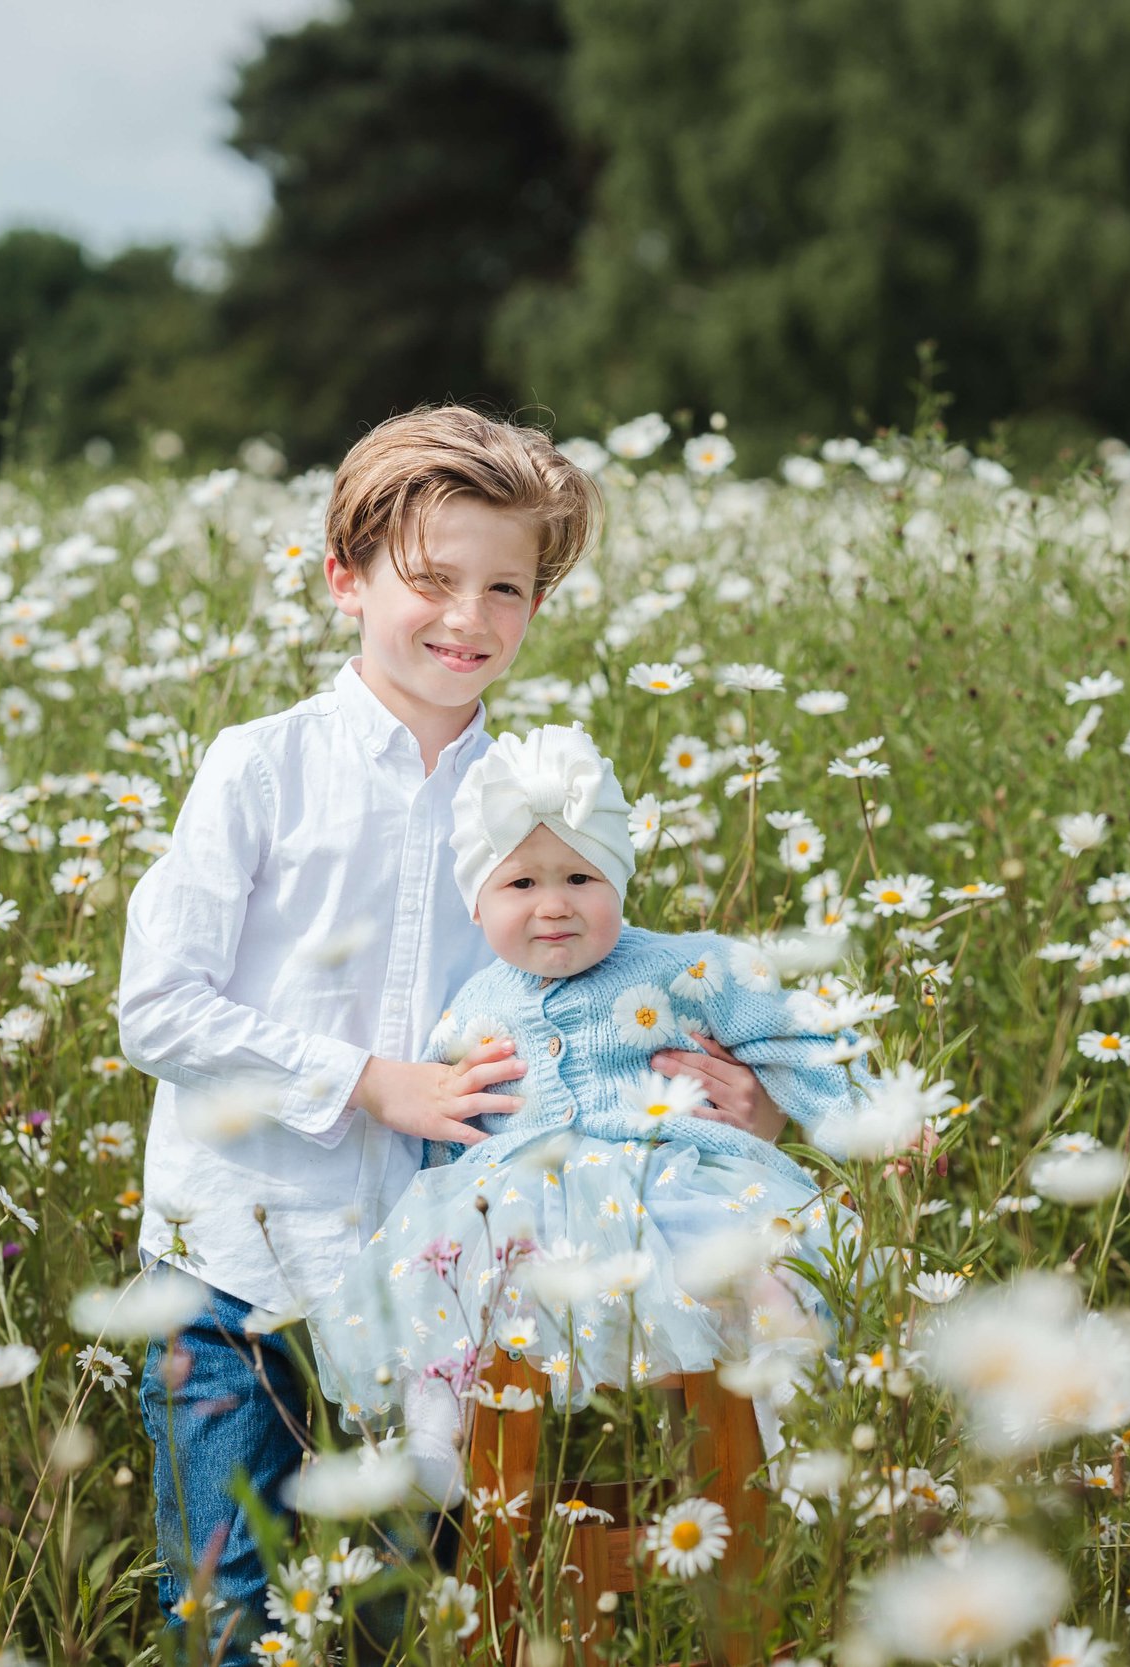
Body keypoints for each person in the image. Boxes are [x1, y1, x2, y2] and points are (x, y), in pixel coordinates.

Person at [114, 408, 787, 1646]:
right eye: (430, 581)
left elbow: (597, 998)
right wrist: (372, 1081)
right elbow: (157, 1006)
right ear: (345, 577)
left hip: (438, 1296)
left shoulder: (537, 803)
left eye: (506, 588)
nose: (467, 620)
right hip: (231, 1269)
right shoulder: (259, 770)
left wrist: (731, 1091)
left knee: (398, 1615)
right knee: (227, 1613)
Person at [307, 724, 868, 1506]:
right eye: (520, 885)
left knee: (759, 1263)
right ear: (476, 904)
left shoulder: (678, 963)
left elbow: (791, 1027)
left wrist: (866, 1115)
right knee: (441, 1272)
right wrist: (440, 1185)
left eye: (579, 876)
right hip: (524, 1203)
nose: (554, 906)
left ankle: (800, 1425)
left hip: (673, 1182)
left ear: (619, 880)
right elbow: (453, 1123)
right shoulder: (473, 1004)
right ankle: (435, 1431)